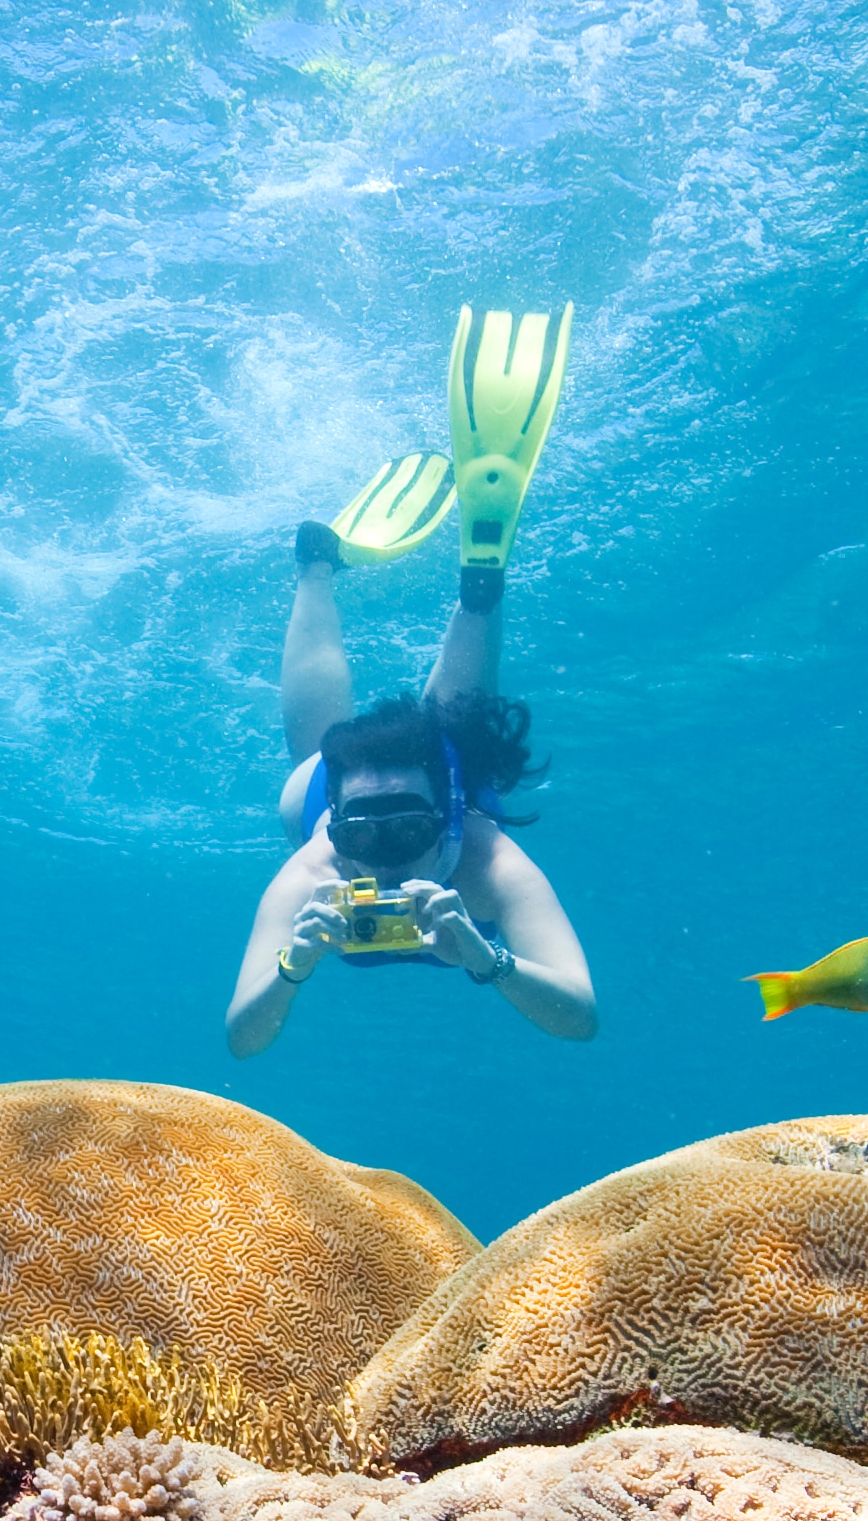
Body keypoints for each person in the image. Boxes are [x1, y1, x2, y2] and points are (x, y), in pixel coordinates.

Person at [227, 307, 599, 1052]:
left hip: (390, 793)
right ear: (337, 826)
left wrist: (488, 960)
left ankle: (318, 569)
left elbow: (581, 1016)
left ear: (452, 817)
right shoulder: (317, 868)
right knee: (431, 725)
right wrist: (290, 967)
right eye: (363, 831)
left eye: (407, 828)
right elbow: (242, 1035)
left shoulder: (490, 864)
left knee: (321, 742)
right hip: (357, 784)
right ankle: (478, 587)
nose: (386, 856)